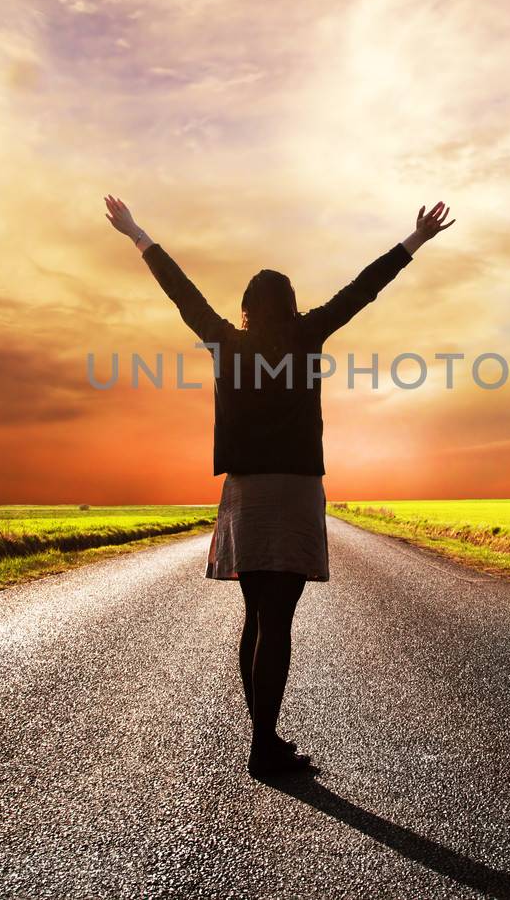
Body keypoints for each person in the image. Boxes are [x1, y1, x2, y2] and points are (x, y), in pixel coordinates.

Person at [103, 195, 455, 777]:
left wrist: (136, 232)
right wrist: (415, 240)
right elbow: (361, 289)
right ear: (290, 306)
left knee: (254, 617)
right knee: (278, 621)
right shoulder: (307, 334)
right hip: (293, 489)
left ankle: (263, 738)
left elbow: (180, 290)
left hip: (245, 490)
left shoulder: (225, 342)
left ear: (245, 309)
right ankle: (264, 747)